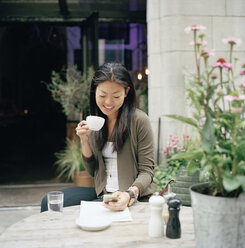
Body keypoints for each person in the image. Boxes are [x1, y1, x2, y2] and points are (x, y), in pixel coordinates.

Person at [41, 62, 155, 212]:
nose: (108, 102)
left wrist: (129, 194)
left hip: (131, 195)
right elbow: (92, 170)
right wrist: (84, 140)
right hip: (103, 194)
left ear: (126, 92)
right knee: (48, 202)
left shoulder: (139, 120)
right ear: (94, 91)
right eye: (102, 95)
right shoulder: (95, 122)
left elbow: (147, 171)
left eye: (116, 96)